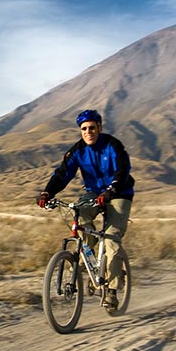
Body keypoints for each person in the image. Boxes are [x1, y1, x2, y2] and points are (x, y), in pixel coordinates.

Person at [37, 109, 134, 307]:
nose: (88, 132)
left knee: (111, 239)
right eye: (84, 129)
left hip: (119, 193)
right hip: (93, 194)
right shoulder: (78, 151)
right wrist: (48, 193)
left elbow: (122, 170)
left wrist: (111, 190)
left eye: (91, 127)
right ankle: (89, 258)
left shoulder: (112, 145)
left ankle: (112, 291)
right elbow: (62, 174)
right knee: (79, 216)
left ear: (99, 127)